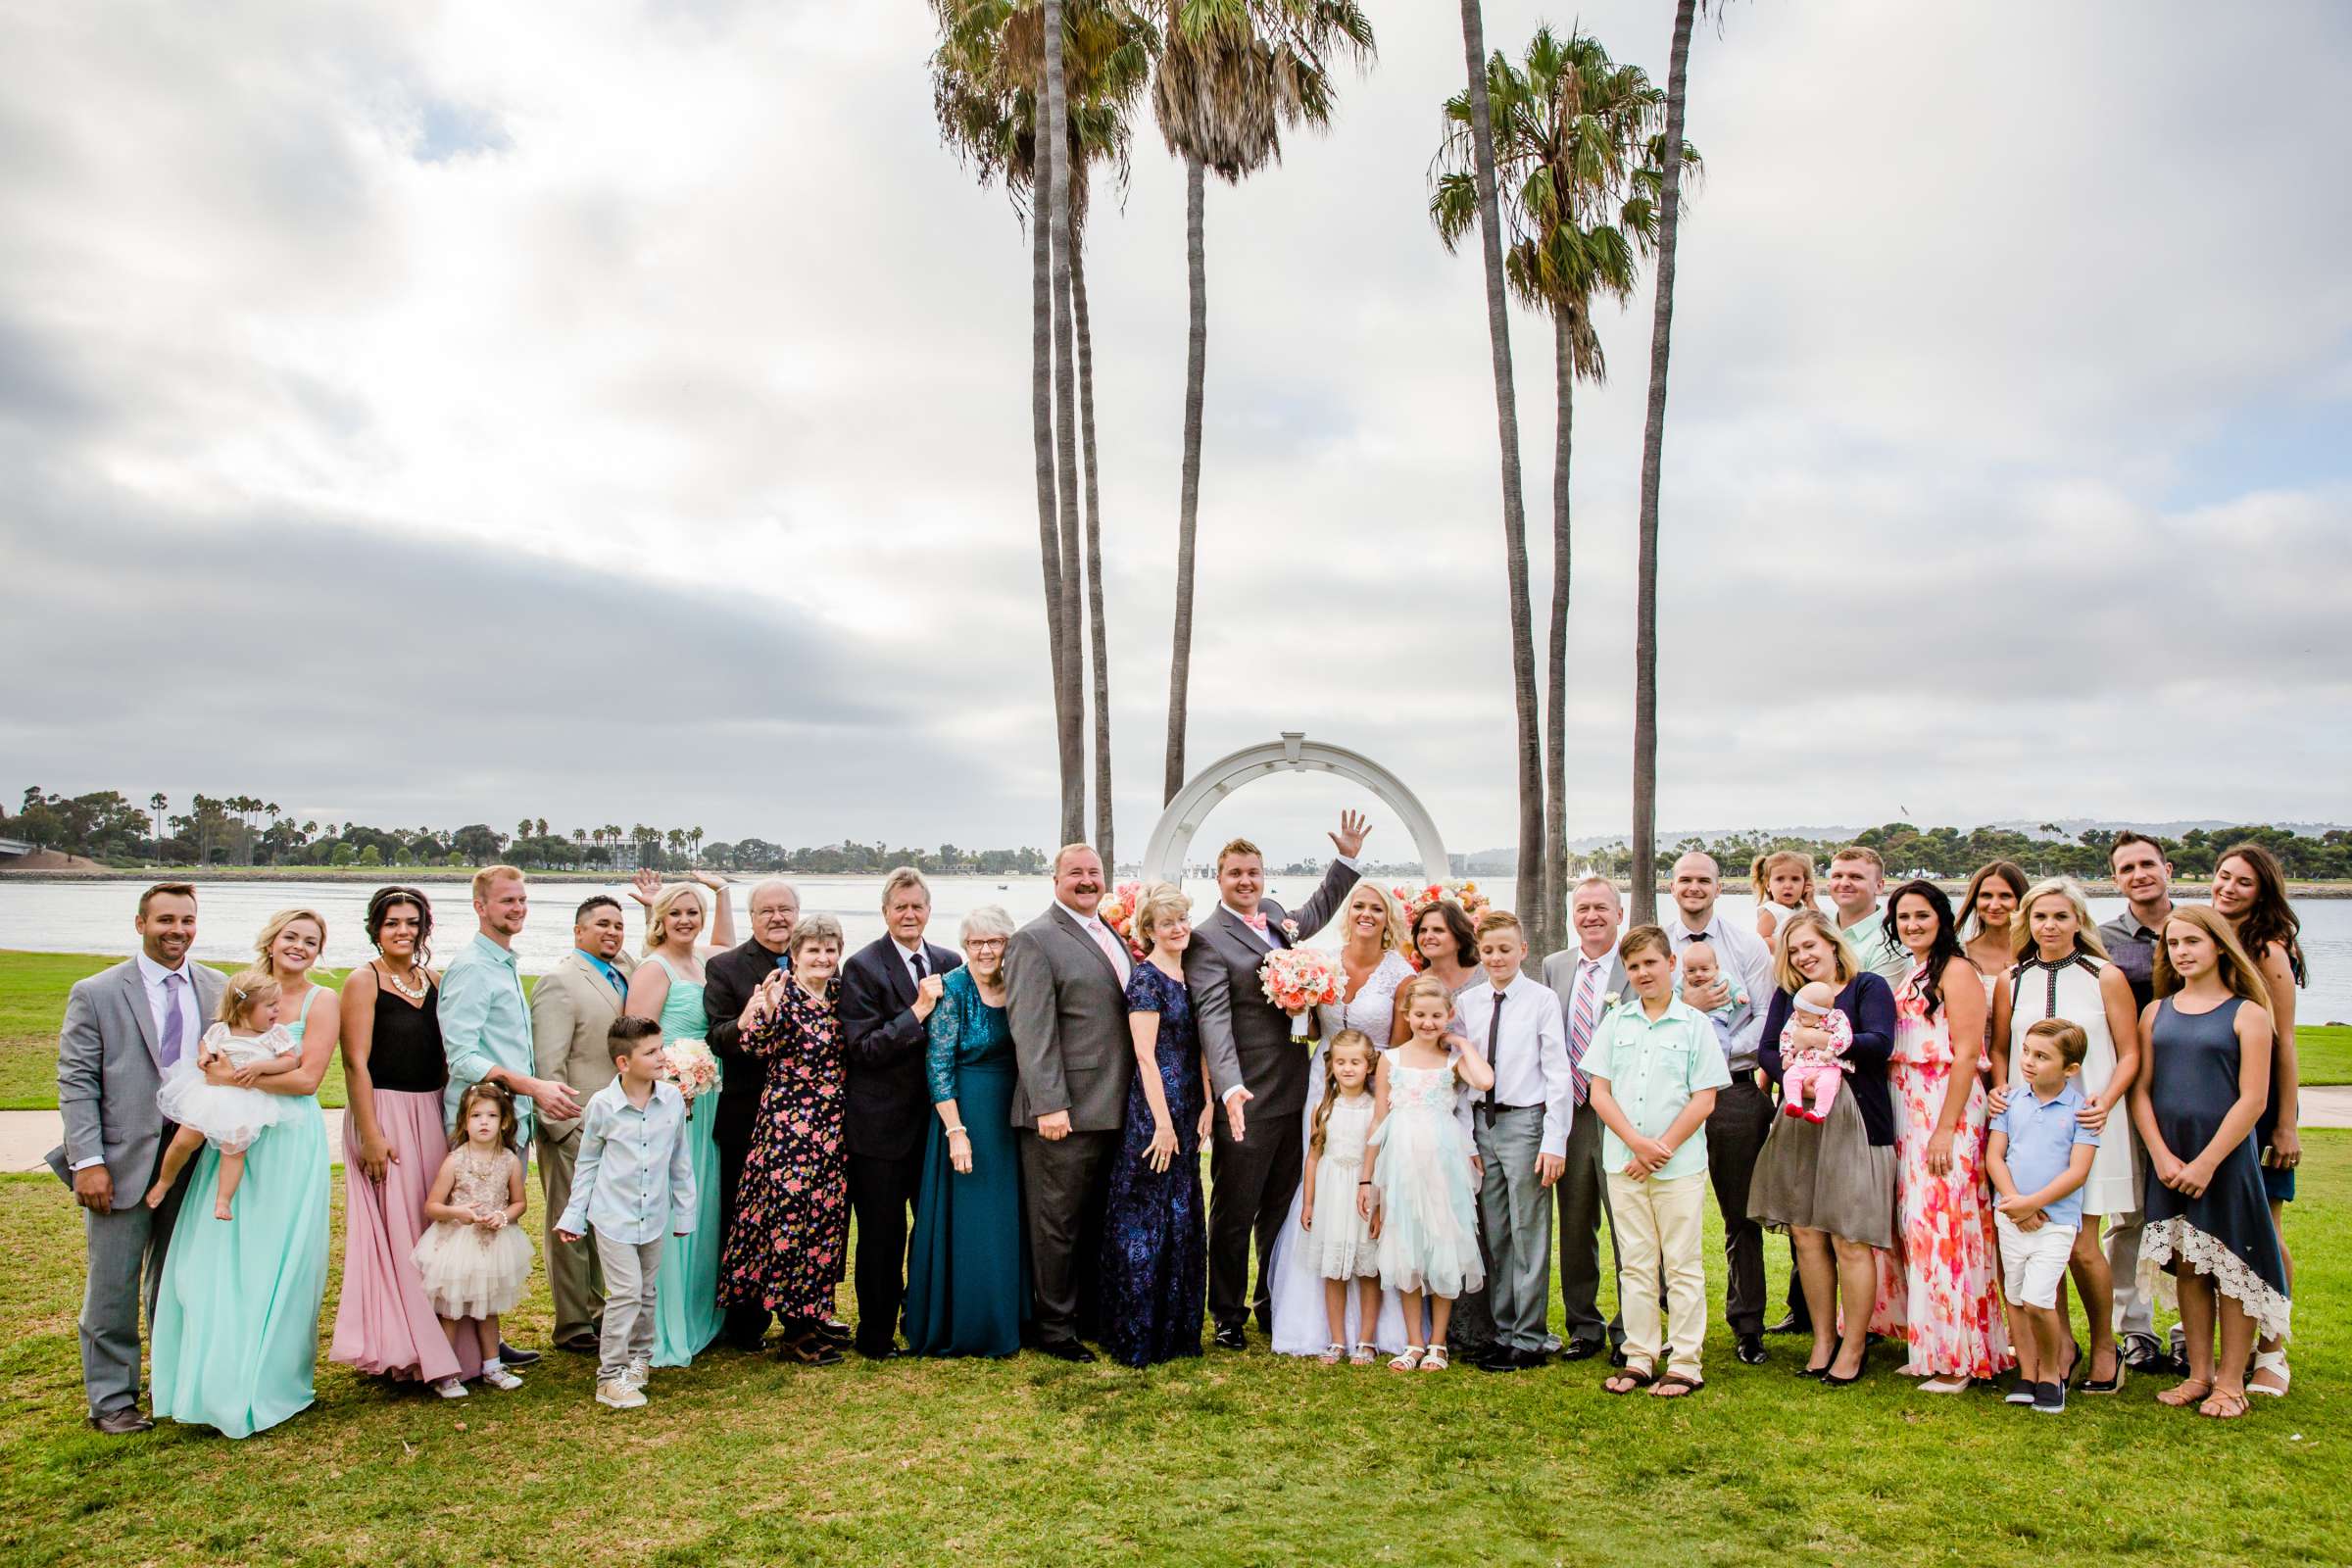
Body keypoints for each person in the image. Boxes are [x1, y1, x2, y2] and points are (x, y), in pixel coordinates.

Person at [148, 909, 337, 1438]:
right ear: (271, 940)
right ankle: (210, 1385)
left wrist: (237, 1079)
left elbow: (306, 1079)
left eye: (311, 940)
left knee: (278, 1258)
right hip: (231, 1139)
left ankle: (268, 1383)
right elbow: (209, 1061)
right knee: (219, 1257)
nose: (299, 946)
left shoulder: (322, 1001)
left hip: (288, 1142)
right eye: (291, 936)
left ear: (319, 951)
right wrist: (224, 1076)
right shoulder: (238, 994)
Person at [1185, 814, 1369, 1349]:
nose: (1246, 882)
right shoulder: (1207, 940)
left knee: (1283, 1205)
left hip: (1298, 1088)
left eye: (1254, 873)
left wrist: (1347, 862)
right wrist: (1228, 1088)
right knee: (1235, 1208)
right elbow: (1213, 1019)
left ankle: (1271, 1301)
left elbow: (1311, 913)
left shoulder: (1271, 917)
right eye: (1236, 873)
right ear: (1218, 879)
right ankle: (1226, 1313)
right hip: (1247, 1095)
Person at [49, 882, 225, 1433]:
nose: (177, 931)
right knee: (113, 1286)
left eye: (188, 921)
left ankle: (171, 1385)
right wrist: (87, 1161)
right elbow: (76, 1081)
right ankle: (112, 1401)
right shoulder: (97, 992)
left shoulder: (218, 988)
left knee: (176, 1280)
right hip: (120, 1161)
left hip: (194, 1160)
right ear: (140, 923)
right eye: (165, 920)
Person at [2133, 906, 2292, 1420]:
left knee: (2233, 1265)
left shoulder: (2248, 1012)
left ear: (2219, 945)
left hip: (2223, 1158)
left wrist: (2205, 1162)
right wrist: (2160, 1153)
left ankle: (2230, 1382)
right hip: (2169, 1156)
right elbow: (2141, 1091)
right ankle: (2198, 1375)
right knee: (2189, 1265)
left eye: (2192, 941)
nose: (2181, 951)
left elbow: (2252, 1100)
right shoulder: (2155, 1012)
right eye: (2173, 944)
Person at [1998, 876, 2139, 1395]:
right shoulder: (2011, 979)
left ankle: (2106, 1345)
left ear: (2079, 919)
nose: (2049, 926)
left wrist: (2106, 1099)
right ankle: (2060, 1349)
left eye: (2060, 916)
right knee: (2038, 1242)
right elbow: (1999, 1050)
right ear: (2026, 922)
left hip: (2089, 1124)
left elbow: (2130, 1053)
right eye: (2039, 917)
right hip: (2030, 1128)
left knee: (2082, 1246)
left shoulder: (2105, 975)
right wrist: (1999, 1091)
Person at [332, 887, 478, 1386]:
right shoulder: (362, 981)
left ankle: (446, 1340)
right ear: (376, 928)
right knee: (394, 1233)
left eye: (412, 922)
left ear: (423, 928)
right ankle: (402, 1350)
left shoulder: (433, 980)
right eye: (393, 922)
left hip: (431, 1110)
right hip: (385, 1114)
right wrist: (370, 1133)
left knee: (432, 1227)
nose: (403, 931)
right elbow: (354, 1062)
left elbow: (447, 1056)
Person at [1267, 879, 1417, 1357]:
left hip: (1377, 1087)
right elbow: (1311, 1029)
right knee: (1322, 1173)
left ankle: (1375, 1330)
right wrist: (1297, 1003)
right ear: (1347, 913)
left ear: (1387, 917)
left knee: (1368, 1186)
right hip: (1322, 1083)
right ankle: (1317, 1323)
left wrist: (1382, 1098)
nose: (1366, 914)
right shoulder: (1323, 962)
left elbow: (1396, 1045)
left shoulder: (1400, 974)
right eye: (1358, 906)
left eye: (1376, 908)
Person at [1748, 911, 1898, 1386]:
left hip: (1855, 1119)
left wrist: (1826, 1047)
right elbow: (1769, 1048)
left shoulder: (1866, 987)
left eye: (1810, 946)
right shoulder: (1789, 997)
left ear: (1833, 944)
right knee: (1806, 1234)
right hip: (1800, 1120)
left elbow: (1881, 1043)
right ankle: (1821, 1341)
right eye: (1793, 950)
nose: (1803, 956)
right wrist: (1797, 1074)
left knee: (1849, 1238)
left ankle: (1854, 1348)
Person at [1871, 881, 2008, 1394]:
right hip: (1908, 1111)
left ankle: (1960, 1358)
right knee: (1917, 1228)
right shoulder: (1915, 972)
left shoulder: (1957, 970)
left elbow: (1970, 1052)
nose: (1912, 925)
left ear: (1942, 918)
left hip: (1946, 1111)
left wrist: (1946, 1129)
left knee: (1949, 1226)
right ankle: (1930, 1345)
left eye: (1921, 916)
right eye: (1903, 918)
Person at [1006, 844, 1139, 1363]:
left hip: (1113, 1106)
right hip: (1064, 1111)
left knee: (1093, 1220)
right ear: (1055, 879)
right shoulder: (1034, 940)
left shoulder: (1111, 933)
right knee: (1055, 1224)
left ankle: (1087, 1314)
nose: (1086, 881)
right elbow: (1032, 1031)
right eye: (1075, 873)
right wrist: (1050, 1105)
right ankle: (1054, 1328)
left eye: (1094, 872)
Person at [1586, 925, 1731, 1397]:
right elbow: (1599, 1092)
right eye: (1633, 966)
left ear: (1671, 964)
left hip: (1678, 1165)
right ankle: (1640, 1356)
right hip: (1624, 1161)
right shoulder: (1617, 1022)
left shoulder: (1695, 1025)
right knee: (1635, 1263)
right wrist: (1635, 1144)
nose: (1643, 972)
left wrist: (1660, 1147)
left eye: (1651, 962)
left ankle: (1686, 1361)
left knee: (1682, 1262)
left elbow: (1703, 1098)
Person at [439, 864, 569, 1369]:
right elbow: (461, 1055)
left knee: (493, 1231)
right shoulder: (474, 966)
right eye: (506, 901)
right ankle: (461, 1351)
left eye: (521, 901)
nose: (516, 909)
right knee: (471, 1234)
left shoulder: (504, 963)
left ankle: (484, 1343)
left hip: (510, 1122)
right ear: (480, 906)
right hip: (481, 1126)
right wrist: (531, 1085)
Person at [839, 867, 963, 1360]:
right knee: (882, 1237)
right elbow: (863, 1048)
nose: (909, 914)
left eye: (917, 906)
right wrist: (916, 1011)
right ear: (885, 912)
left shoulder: (951, 961)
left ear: (928, 910)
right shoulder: (863, 967)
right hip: (880, 1129)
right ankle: (875, 1335)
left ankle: (926, 1321)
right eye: (900, 907)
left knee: (931, 1231)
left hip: (936, 1127)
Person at [1660, 853, 1779, 1362]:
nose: (1693, 887)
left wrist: (1714, 1054)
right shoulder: (1658, 944)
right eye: (1685, 879)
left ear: (1718, 886)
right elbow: (1650, 1012)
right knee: (1668, 1209)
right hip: (1671, 1094)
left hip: (1733, 1088)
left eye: (1703, 880)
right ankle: (1673, 1322)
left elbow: (1767, 1014)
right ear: (1672, 886)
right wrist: (1688, 1018)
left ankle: (1747, 1325)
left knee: (1741, 1212)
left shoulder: (1747, 944)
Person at [719, 914, 852, 1367]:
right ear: (794, 955)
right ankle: (792, 1329)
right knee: (788, 1226)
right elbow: (754, 1047)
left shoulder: (838, 994)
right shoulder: (782, 993)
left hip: (831, 1131)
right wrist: (766, 1010)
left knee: (825, 1224)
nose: (823, 957)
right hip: (788, 1131)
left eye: (830, 949)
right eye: (813, 950)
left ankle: (814, 1315)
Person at [623, 871, 738, 1367]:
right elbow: (634, 1039)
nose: (686, 921)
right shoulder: (654, 968)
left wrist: (722, 891)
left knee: (704, 1200)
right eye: (676, 913)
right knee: (673, 1203)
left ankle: (698, 1312)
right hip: (674, 1100)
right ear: (659, 920)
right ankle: (665, 1323)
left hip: (708, 1097)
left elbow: (730, 949)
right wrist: (666, 1081)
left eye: (693, 913)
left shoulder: (703, 960)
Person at [557, 1015, 699, 1411]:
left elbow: (679, 1161)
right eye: (651, 1052)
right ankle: (609, 1377)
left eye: (662, 1048)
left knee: (646, 1292)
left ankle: (638, 1360)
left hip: (653, 1215)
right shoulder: (602, 1105)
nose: (662, 1057)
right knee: (625, 1294)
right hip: (613, 1217)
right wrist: (573, 1216)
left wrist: (684, 1214)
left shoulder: (671, 1099)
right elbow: (587, 1165)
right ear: (623, 1063)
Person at [905, 906, 1029, 1358]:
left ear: (1007, 944)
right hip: (965, 1113)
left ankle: (1011, 1314)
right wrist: (956, 1131)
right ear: (965, 946)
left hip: (1010, 1113)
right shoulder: (953, 988)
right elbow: (937, 1066)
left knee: (1006, 1215)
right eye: (976, 942)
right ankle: (969, 1321)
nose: (985, 950)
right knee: (972, 1217)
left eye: (994, 941)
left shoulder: (1017, 983)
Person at [1453, 908, 1572, 1373]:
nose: (1497, 957)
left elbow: (1557, 1073)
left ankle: (1530, 1335)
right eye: (1488, 951)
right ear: (1479, 954)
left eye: (1506, 949)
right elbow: (1463, 1078)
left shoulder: (1541, 1000)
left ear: (1523, 950)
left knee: (1529, 1232)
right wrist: (1467, 1138)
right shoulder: (1469, 1003)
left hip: (1526, 1123)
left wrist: (1554, 1139)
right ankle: (1502, 1332)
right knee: (1497, 1232)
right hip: (1484, 1124)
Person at [2208, 841, 2306, 1398]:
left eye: (2243, 882)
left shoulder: (2267, 950)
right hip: (2215, 1100)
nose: (2228, 888)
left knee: (2264, 1232)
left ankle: (2272, 1351)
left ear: (2263, 890)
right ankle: (2232, 1345)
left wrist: (2285, 1123)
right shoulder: (2208, 934)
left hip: (2261, 1106)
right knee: (2218, 1231)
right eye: (2223, 877)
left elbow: (2284, 1039)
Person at [1100, 883, 1211, 1367]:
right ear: (1149, 931)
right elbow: (1145, 1057)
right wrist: (1162, 1126)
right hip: (1154, 1110)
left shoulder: (1189, 976)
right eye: (1168, 922)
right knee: (1144, 1220)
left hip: (1188, 1106)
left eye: (1182, 919)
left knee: (1181, 1217)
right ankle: (1137, 1332)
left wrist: (1207, 1104)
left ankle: (1177, 1330)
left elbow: (1199, 1048)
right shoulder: (1145, 981)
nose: (1178, 928)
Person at [1363, 974, 1494, 1372]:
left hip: (1442, 1161)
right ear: (1408, 1014)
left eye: (1437, 1016)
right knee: (1406, 1246)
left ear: (1449, 1016)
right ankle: (1414, 1341)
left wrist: (1464, 1044)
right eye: (1419, 1015)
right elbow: (1379, 1119)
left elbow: (1485, 1081)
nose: (1427, 1022)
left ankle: (1438, 1343)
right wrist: (1368, 1179)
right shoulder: (1391, 1059)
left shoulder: (1453, 1062)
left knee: (1442, 1244)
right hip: (1401, 1159)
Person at [528, 894, 637, 1354]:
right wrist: (562, 1127)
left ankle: (600, 1311)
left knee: (607, 1224)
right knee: (570, 1227)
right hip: (574, 1122)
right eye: (601, 925)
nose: (611, 932)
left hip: (620, 1123)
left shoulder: (625, 969)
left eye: (617, 924)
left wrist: (656, 907)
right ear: (578, 931)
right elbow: (548, 1062)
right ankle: (573, 1324)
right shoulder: (560, 980)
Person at [703, 878, 802, 1350]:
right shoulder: (725, 967)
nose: (778, 917)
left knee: (796, 1217)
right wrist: (748, 1017)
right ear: (752, 916)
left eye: (785, 909)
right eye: (767, 911)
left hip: (805, 1118)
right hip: (749, 1113)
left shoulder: (817, 961)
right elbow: (716, 1037)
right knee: (744, 1219)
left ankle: (799, 1313)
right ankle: (744, 1322)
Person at [1986, 1019, 2100, 1416]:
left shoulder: (2081, 1111)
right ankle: (2028, 1373)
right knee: (2015, 1298)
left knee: (2038, 1300)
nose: (2029, 1062)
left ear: (2071, 1069)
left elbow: (2077, 1172)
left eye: (2042, 1056)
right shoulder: (2010, 1102)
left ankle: (2052, 1374)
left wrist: (2033, 1204)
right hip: (2011, 1215)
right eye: (2027, 1053)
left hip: (2055, 1220)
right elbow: (1995, 1156)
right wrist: (2015, 1203)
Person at [1541, 876, 1630, 1363]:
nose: (1591, 916)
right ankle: (1584, 1326)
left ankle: (1629, 1329)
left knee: (1627, 1225)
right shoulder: (1555, 966)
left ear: (1619, 914)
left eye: (1601, 908)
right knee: (1575, 1226)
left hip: (1620, 1114)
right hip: (1570, 1114)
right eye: (1583, 908)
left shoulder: (1634, 965)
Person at [2096, 832, 2176, 1373]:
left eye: (2148, 864)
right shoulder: (2103, 940)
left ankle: (2190, 1330)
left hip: (2191, 1089)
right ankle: (2136, 1330)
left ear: (2168, 869)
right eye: (2127, 868)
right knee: (2130, 1216)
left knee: (2194, 1218)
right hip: (2129, 1090)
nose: (2139, 873)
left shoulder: (2199, 929)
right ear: (2116, 879)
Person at [412, 1081, 534, 1396]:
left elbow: (519, 1202)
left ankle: (492, 1366)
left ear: (504, 1121)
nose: (483, 1122)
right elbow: (432, 1206)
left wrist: (504, 1216)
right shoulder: (455, 1160)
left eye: (491, 1116)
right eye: (476, 1115)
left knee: (488, 1308)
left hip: (493, 1244)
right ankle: (446, 1371)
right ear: (464, 1121)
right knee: (451, 1308)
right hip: (457, 1243)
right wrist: (459, 1212)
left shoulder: (509, 1160)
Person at [145, 969, 299, 1218]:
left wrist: (262, 1067)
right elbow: (206, 1043)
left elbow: (290, 1061)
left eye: (277, 1005)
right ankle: (164, 1182)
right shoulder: (222, 1030)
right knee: (184, 1141)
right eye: (270, 1006)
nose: (276, 1011)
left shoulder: (275, 1034)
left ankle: (223, 1201)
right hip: (212, 1097)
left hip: (246, 1101)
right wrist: (205, 1054)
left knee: (234, 1151)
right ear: (244, 1008)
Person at [1298, 1031, 1383, 1365]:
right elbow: (1313, 1158)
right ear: (1331, 1066)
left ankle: (1367, 1340)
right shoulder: (1322, 1109)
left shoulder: (1377, 1109)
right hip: (1332, 1194)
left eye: (1355, 1062)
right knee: (1333, 1270)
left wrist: (1380, 1206)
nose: (1348, 1069)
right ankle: (1336, 1340)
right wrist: (1308, 1203)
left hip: (1363, 1196)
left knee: (1368, 1269)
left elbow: (1382, 1159)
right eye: (1341, 1062)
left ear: (1369, 1066)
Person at [1958, 860, 2026, 1085]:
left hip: (2028, 1065)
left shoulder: (2038, 954)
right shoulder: (1960, 954)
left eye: (2005, 896)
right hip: (1973, 1067)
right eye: (1986, 896)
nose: (1994, 905)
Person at [1827, 846, 1910, 984]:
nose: (1844, 883)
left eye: (1856, 877)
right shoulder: (1821, 928)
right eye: (1837, 876)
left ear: (1879, 886)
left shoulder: (1891, 943)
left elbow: (1880, 1003)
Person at [1778, 983, 1853, 1122]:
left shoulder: (1836, 1017)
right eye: (1798, 1014)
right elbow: (1787, 1034)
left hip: (1828, 1064)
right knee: (1790, 1076)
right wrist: (1787, 1053)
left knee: (1827, 1084)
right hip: (1803, 1061)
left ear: (1820, 1015)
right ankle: (1794, 1103)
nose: (1798, 1019)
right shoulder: (1797, 1016)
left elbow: (1845, 1035)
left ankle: (1820, 1111)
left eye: (1803, 1016)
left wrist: (1831, 1050)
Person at [1409, 899, 1484, 994]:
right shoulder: (1414, 986)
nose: (1427, 936)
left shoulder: (1486, 978)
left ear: (1459, 937)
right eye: (1423, 930)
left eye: (1438, 930)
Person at [1752, 851, 1819, 945]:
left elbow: (1819, 926)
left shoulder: (1800, 910)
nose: (1788, 885)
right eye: (1780, 879)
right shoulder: (1772, 911)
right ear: (1768, 885)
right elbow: (1762, 939)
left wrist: (1810, 901)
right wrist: (1789, 950)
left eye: (1795, 879)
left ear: (1805, 884)